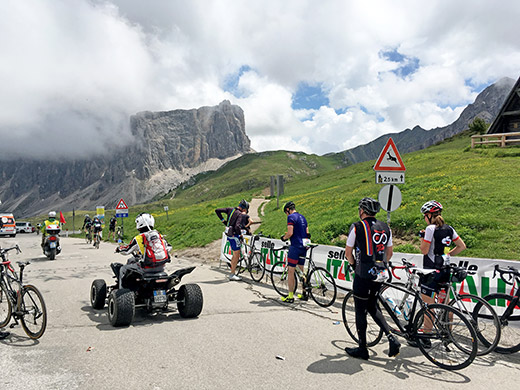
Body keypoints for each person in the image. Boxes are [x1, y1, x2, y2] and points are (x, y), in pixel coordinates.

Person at [345, 197, 400, 360]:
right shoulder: (385, 227)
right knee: (373, 305)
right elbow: (389, 254)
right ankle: (391, 337)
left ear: (362, 211)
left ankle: (363, 348)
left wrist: (354, 265)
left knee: (360, 310)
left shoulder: (356, 227)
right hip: (380, 272)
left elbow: (348, 253)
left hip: (363, 273)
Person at [417, 200, 466, 336]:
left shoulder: (430, 229)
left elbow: (424, 251)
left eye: (424, 216)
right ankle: (447, 332)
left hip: (431, 271)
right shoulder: (449, 228)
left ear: (428, 215)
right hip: (445, 270)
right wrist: (448, 254)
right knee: (446, 303)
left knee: (429, 305)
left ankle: (426, 335)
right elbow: (462, 246)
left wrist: (422, 238)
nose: (424, 219)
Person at [116, 213, 171, 288]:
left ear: (140, 223)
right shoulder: (159, 235)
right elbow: (169, 247)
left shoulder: (139, 238)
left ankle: (121, 294)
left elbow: (126, 251)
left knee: (123, 269)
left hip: (146, 269)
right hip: (161, 267)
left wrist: (119, 249)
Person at [280, 201, 310, 303]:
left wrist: (284, 238)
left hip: (295, 246)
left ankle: (290, 296)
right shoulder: (303, 217)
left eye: (286, 212)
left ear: (288, 210)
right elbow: (307, 232)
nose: (286, 215)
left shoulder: (291, 217)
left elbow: (290, 233)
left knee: (291, 271)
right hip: (304, 246)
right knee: (302, 271)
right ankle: (304, 293)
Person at [215, 199, 249, 281]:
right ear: (244, 209)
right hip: (234, 235)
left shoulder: (230, 209)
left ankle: (232, 272)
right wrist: (240, 235)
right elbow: (237, 226)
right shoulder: (239, 214)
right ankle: (232, 274)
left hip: (229, 234)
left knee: (235, 255)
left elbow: (217, 210)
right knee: (236, 256)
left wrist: (223, 221)